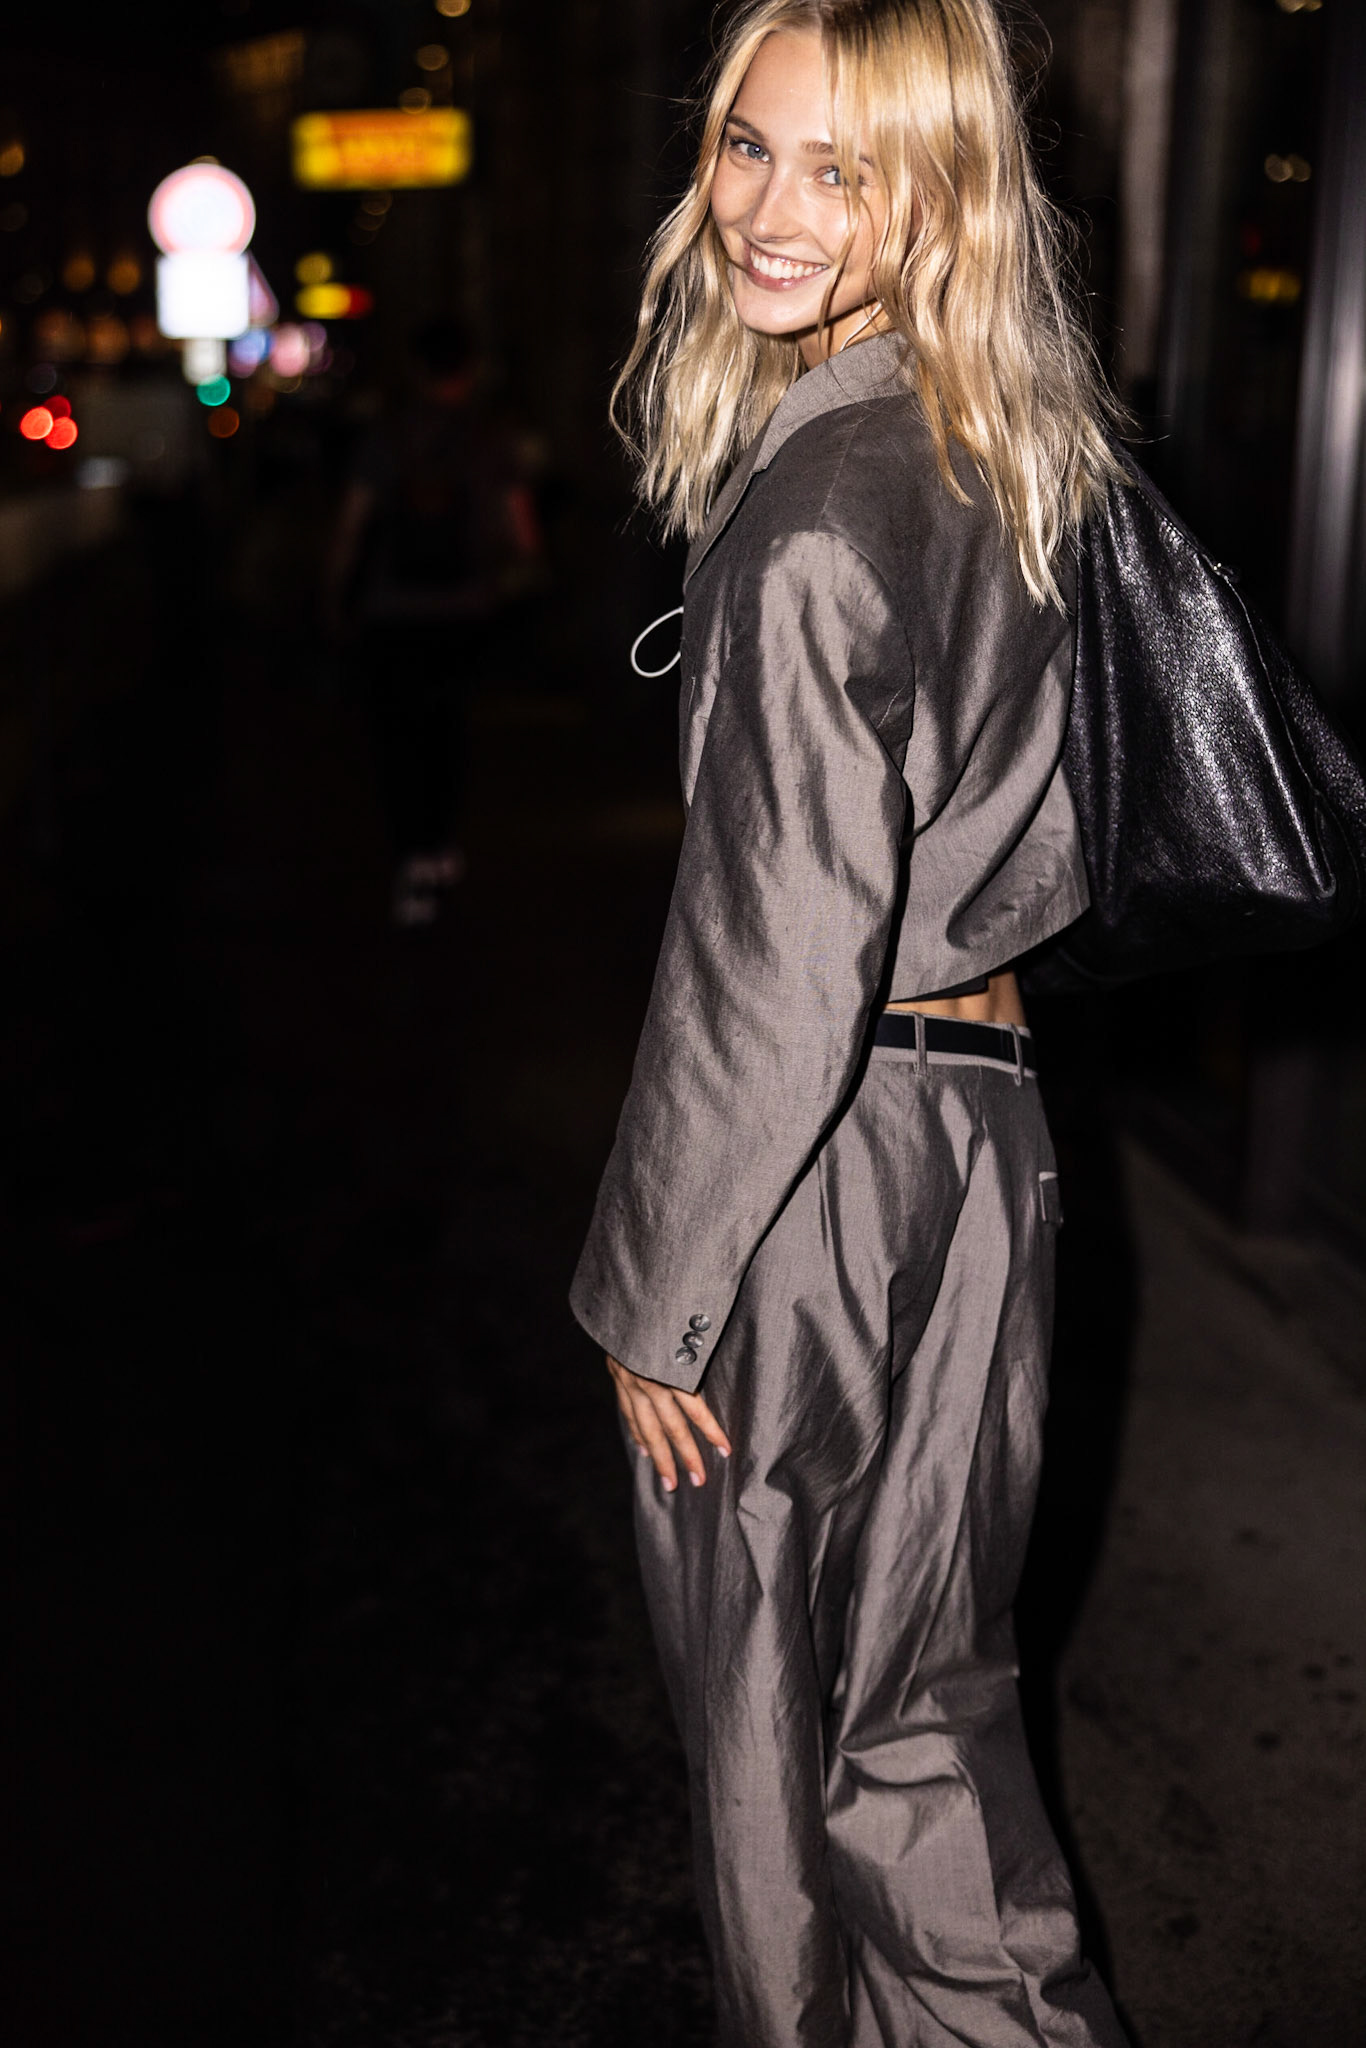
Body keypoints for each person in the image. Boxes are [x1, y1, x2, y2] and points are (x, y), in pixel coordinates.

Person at [570, 4, 1132, 2043]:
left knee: (776, 1729)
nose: (769, 208)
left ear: (941, 194)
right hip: (985, 1141)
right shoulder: (1007, 455)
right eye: (747, 145)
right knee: (924, 1713)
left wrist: (655, 1281)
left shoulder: (816, 516)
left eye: (842, 168)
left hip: (815, 1174)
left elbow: (772, 952)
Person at [325, 321, 540, 926]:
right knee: (449, 730)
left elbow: (351, 524)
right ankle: (441, 847)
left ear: (417, 369)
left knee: (397, 735)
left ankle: (411, 859)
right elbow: (520, 526)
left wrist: (334, 591)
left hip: (392, 610)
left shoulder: (386, 435)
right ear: (468, 370)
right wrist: (524, 574)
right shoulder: (490, 437)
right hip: (464, 608)